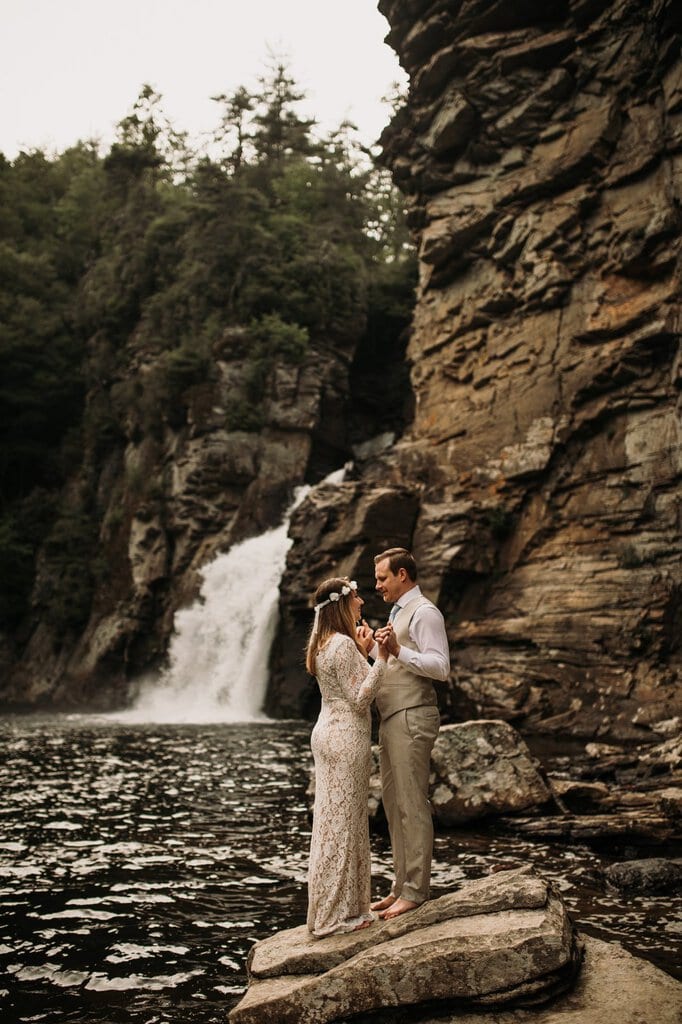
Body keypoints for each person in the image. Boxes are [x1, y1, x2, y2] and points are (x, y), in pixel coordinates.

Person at [305, 576, 390, 938]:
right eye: (356, 598)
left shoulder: (322, 643)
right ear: (342, 604)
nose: (362, 603)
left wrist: (359, 651)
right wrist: (381, 657)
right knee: (344, 825)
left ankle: (336, 909)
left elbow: (341, 685)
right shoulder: (340, 645)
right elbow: (360, 697)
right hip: (346, 738)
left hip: (326, 733)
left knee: (331, 823)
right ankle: (337, 917)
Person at [370, 547, 450, 921]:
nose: (377, 585)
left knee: (412, 804)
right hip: (391, 717)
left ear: (403, 575)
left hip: (413, 716)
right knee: (392, 804)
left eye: (382, 578)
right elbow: (392, 662)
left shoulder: (425, 612)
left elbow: (440, 666)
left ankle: (416, 891)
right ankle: (400, 886)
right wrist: (371, 647)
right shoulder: (397, 613)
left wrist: (398, 649)